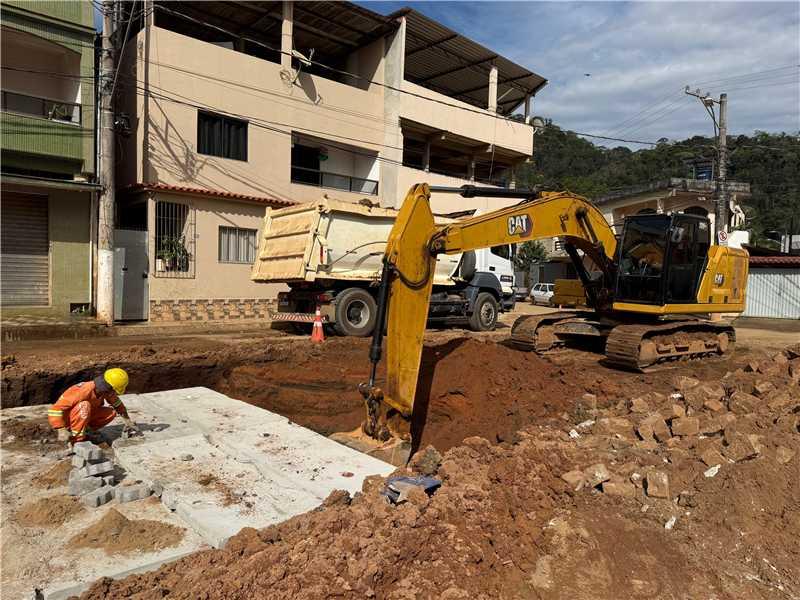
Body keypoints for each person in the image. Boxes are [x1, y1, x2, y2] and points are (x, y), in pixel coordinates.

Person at [47, 368, 140, 444]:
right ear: (109, 387)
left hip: (82, 417)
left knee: (110, 412)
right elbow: (55, 409)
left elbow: (117, 404)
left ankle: (86, 431)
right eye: (115, 390)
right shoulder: (82, 391)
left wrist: (127, 419)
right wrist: (61, 429)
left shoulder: (105, 390)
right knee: (84, 405)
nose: (115, 393)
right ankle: (76, 440)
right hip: (67, 420)